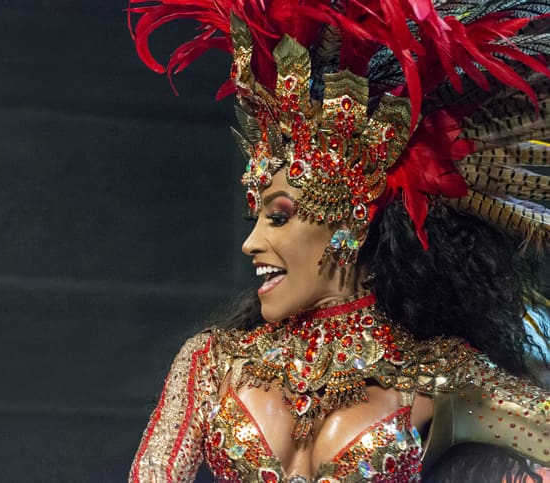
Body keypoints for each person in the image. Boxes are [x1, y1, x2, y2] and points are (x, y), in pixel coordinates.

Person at [127, 0, 550, 481]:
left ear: (354, 218)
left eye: (279, 217)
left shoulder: (438, 377)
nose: (251, 242)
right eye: (256, 217)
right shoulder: (213, 362)